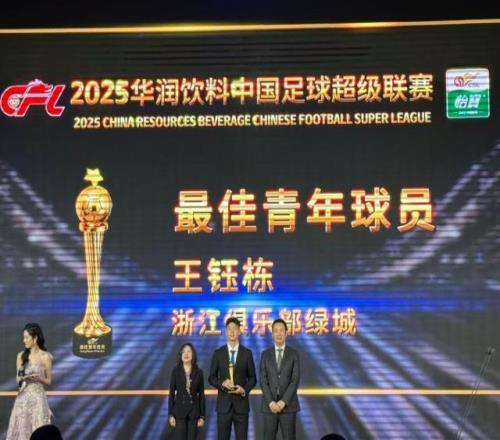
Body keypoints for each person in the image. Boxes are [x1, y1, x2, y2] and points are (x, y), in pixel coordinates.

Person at [209, 317, 256, 440]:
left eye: (234, 328)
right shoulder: (218, 353)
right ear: (226, 331)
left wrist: (244, 389)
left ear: (239, 331)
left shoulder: (247, 353)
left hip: (241, 406)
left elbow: (253, 378)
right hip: (223, 406)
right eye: (229, 329)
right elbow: (211, 377)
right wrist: (222, 383)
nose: (232, 331)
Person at [6, 323, 54, 440]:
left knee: (39, 430)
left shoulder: (46, 356)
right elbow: (18, 378)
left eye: (26, 337)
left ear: (35, 338)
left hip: (38, 399)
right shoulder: (21, 356)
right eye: (24, 338)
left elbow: (48, 381)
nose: (24, 341)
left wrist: (38, 378)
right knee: (22, 430)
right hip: (23, 399)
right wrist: (23, 377)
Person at [260, 319, 300, 440]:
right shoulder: (265, 354)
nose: (278, 333)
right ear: (272, 334)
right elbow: (263, 380)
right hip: (269, 406)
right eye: (276, 331)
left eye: (281, 330)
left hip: (288, 406)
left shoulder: (293, 354)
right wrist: (271, 402)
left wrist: (283, 402)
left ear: (286, 333)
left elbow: (295, 380)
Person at [168, 343, 206, 440]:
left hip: (194, 413)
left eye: (189, 351)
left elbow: (201, 395)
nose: (186, 354)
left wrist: (202, 416)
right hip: (179, 413)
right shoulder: (175, 371)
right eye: (183, 352)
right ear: (180, 355)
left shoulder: (199, 372)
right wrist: (170, 415)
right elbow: (171, 394)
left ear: (193, 355)